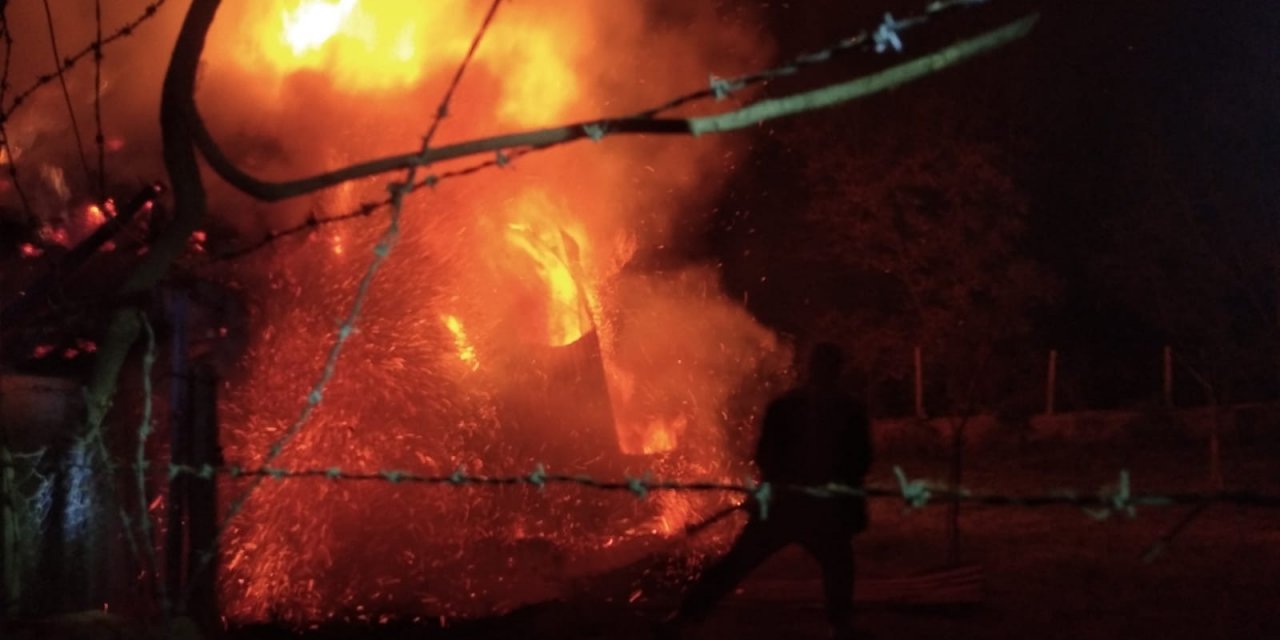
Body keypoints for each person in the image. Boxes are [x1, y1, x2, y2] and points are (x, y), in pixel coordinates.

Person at [658, 342, 873, 640]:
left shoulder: (787, 406)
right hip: (820, 509)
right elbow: (860, 460)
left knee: (740, 563)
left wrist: (773, 485)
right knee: (838, 564)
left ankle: (684, 618)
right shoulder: (848, 409)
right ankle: (841, 626)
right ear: (838, 369)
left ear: (810, 368)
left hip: (785, 506)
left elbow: (766, 456)